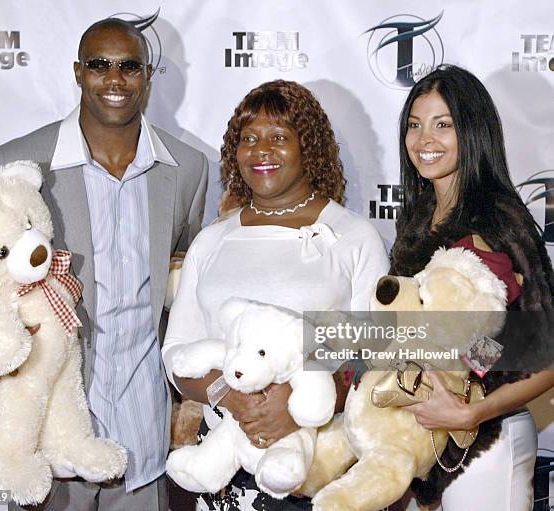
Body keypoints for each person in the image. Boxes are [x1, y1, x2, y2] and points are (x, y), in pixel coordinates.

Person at [0, 17, 208, 511]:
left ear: (148, 76)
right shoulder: (16, 161)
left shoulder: (188, 168)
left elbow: (183, 287)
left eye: (129, 66)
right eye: (99, 65)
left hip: (142, 437)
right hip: (45, 435)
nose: (115, 79)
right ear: (77, 72)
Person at [162, 79, 389, 510]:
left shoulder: (354, 237)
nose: (261, 151)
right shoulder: (213, 241)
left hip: (318, 462)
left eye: (279, 137)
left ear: (309, 147)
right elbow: (177, 351)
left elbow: (376, 356)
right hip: (224, 466)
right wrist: (229, 394)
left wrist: (296, 405)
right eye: (249, 139)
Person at [390, 64, 554, 510]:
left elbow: (542, 350)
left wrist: (471, 408)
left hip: (487, 443)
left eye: (443, 125)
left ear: (472, 131)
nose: (425, 140)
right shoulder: (416, 219)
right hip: (425, 447)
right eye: (415, 126)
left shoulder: (499, 220)